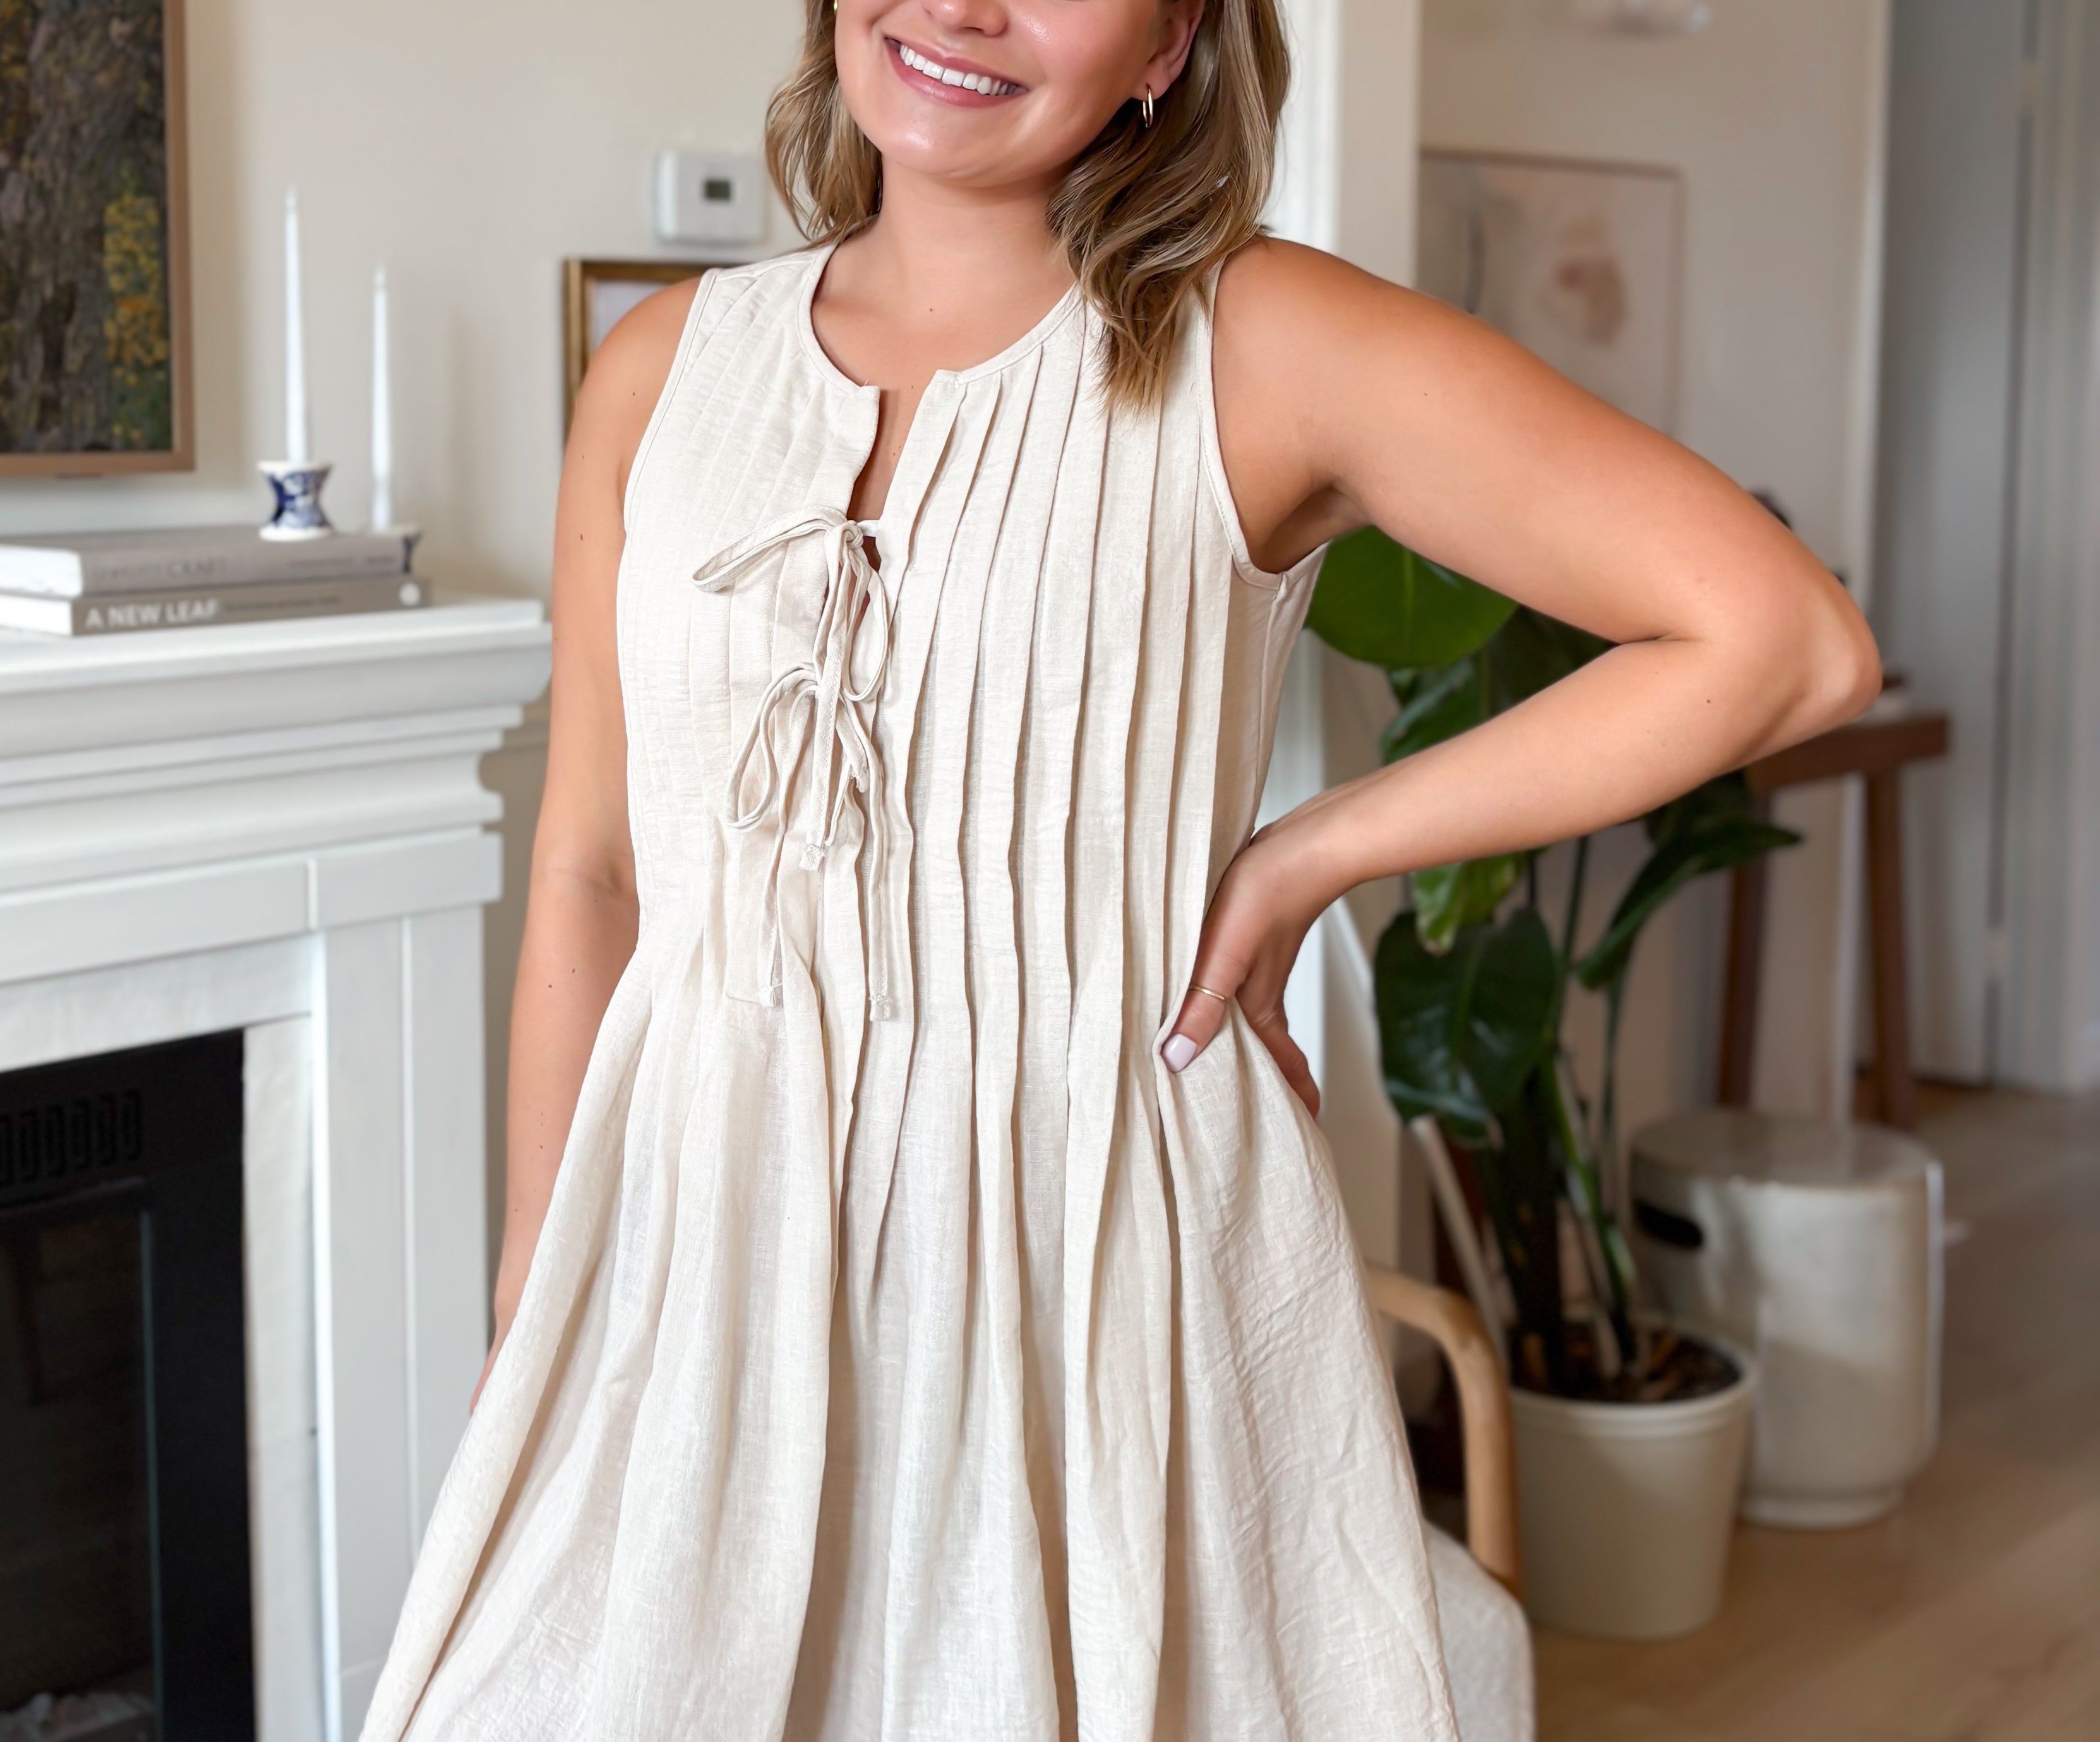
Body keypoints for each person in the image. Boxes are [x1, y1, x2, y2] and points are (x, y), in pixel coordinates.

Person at [360, 2, 1880, 1737]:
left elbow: (1781, 640)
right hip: (690, 1260)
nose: (961, 9)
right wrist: (530, 1312)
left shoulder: (1265, 343)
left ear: (1169, 47)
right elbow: (591, 877)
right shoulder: (657, 369)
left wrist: (1316, 851)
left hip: (1081, 1268)